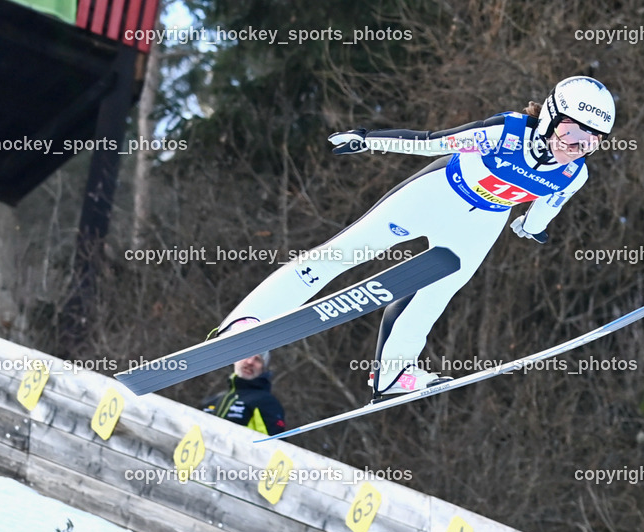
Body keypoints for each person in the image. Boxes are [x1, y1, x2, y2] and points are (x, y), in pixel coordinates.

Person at [214, 76, 615, 399]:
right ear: (548, 117)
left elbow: (550, 203)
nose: (576, 148)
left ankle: (391, 375)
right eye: (571, 133)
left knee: (434, 296)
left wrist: (532, 227)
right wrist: (369, 140)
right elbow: (430, 142)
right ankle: (246, 321)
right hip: (435, 194)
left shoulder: (573, 173)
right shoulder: (505, 132)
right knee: (342, 254)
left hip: (480, 225)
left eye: (591, 142)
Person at [200, 352, 286, 436]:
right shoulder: (211, 401)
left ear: (263, 369)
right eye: (247, 355)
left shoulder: (266, 402)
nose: (250, 362)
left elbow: (276, 445)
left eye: (258, 360)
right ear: (235, 360)